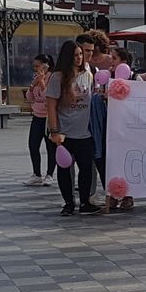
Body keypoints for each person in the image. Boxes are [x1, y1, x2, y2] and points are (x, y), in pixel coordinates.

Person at [46, 40, 99, 216]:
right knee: (65, 169)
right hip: (64, 132)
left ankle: (85, 201)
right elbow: (51, 105)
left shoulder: (88, 74)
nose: (80, 58)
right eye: (76, 55)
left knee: (86, 168)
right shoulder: (57, 77)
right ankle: (69, 202)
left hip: (85, 131)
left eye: (81, 54)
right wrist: (54, 131)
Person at [24, 53, 57, 186]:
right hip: (37, 115)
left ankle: (50, 174)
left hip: (49, 117)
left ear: (46, 66)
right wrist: (33, 85)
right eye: (34, 66)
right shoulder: (36, 78)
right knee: (33, 145)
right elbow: (30, 98)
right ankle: (36, 173)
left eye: (38, 66)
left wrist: (42, 82)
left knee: (50, 147)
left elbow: (48, 95)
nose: (36, 69)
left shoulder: (52, 78)